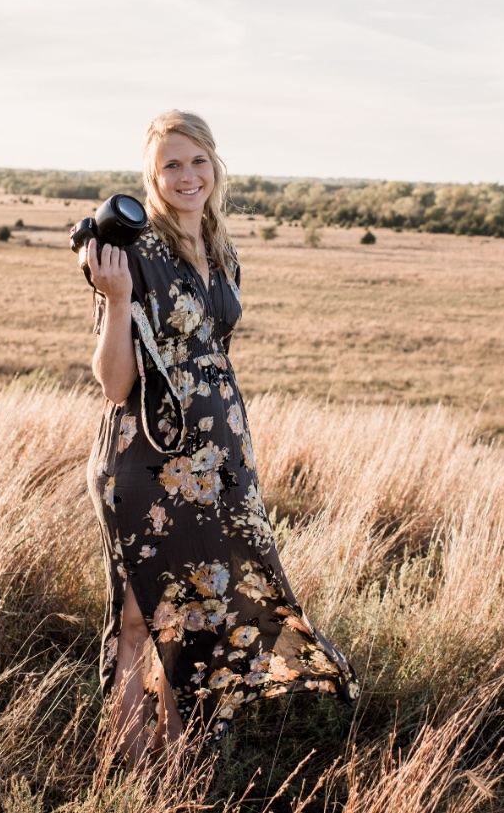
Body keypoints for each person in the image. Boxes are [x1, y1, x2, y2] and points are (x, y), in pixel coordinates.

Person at [85, 110, 359, 768]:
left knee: (199, 619)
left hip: (219, 462)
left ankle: (178, 766)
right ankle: (130, 771)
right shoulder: (134, 252)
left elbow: (216, 353)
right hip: (147, 460)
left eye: (198, 161)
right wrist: (117, 300)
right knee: (138, 620)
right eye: (171, 165)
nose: (188, 176)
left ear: (215, 165)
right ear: (151, 177)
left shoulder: (223, 248)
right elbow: (115, 384)